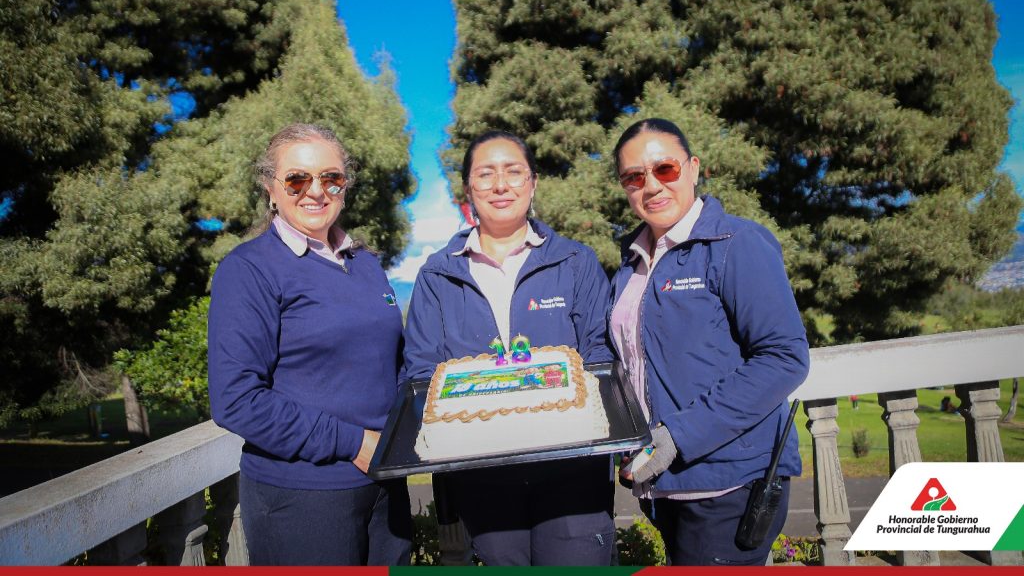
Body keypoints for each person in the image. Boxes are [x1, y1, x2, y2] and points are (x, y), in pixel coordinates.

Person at [403, 130, 616, 566]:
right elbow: (422, 372)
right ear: (468, 189)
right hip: (482, 478)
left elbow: (599, 357)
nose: (500, 185)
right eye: (486, 174)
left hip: (573, 473)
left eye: (513, 172)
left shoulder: (576, 262)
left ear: (533, 182)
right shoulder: (436, 275)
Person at [207, 123, 411, 566]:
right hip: (303, 498)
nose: (315, 191)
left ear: (345, 186)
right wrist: (354, 443)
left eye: (330, 178)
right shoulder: (249, 270)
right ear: (271, 188)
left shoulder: (365, 264)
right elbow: (236, 400)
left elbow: (391, 362)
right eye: (297, 179)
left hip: (385, 484)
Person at [611, 118, 809, 566]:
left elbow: (784, 358)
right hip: (665, 482)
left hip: (729, 484)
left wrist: (678, 436)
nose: (651, 186)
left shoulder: (736, 243)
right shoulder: (632, 262)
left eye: (665, 169)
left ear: (694, 168)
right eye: (634, 177)